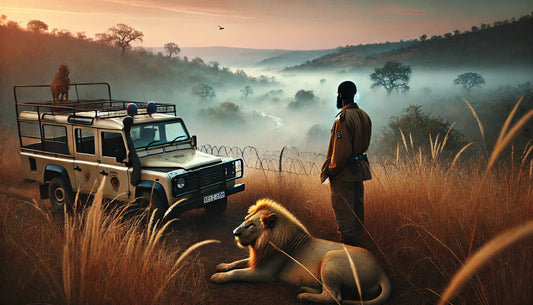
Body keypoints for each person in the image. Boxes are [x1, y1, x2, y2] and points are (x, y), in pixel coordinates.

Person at [320, 81, 372, 246]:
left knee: (345, 217)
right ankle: (360, 250)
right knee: (357, 214)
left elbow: (341, 153)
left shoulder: (342, 119)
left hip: (344, 174)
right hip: (359, 170)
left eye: (337, 94)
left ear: (340, 95)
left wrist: (330, 171)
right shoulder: (364, 115)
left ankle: (348, 254)